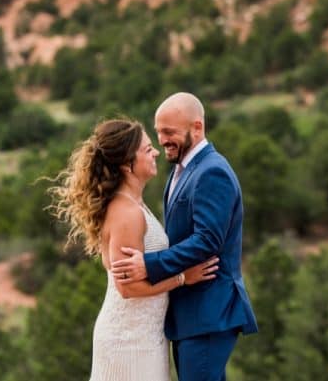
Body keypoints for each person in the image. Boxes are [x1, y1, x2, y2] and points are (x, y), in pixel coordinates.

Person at [49, 118, 220, 381]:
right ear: (127, 163)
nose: (155, 152)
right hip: (129, 340)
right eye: (147, 148)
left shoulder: (134, 204)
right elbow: (128, 288)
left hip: (145, 335)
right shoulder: (127, 213)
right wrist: (184, 278)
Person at [111, 92, 258, 381]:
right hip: (191, 314)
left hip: (208, 311)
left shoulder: (211, 172)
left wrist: (149, 265)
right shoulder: (180, 171)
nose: (163, 140)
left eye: (170, 132)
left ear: (197, 127)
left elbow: (208, 241)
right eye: (159, 132)